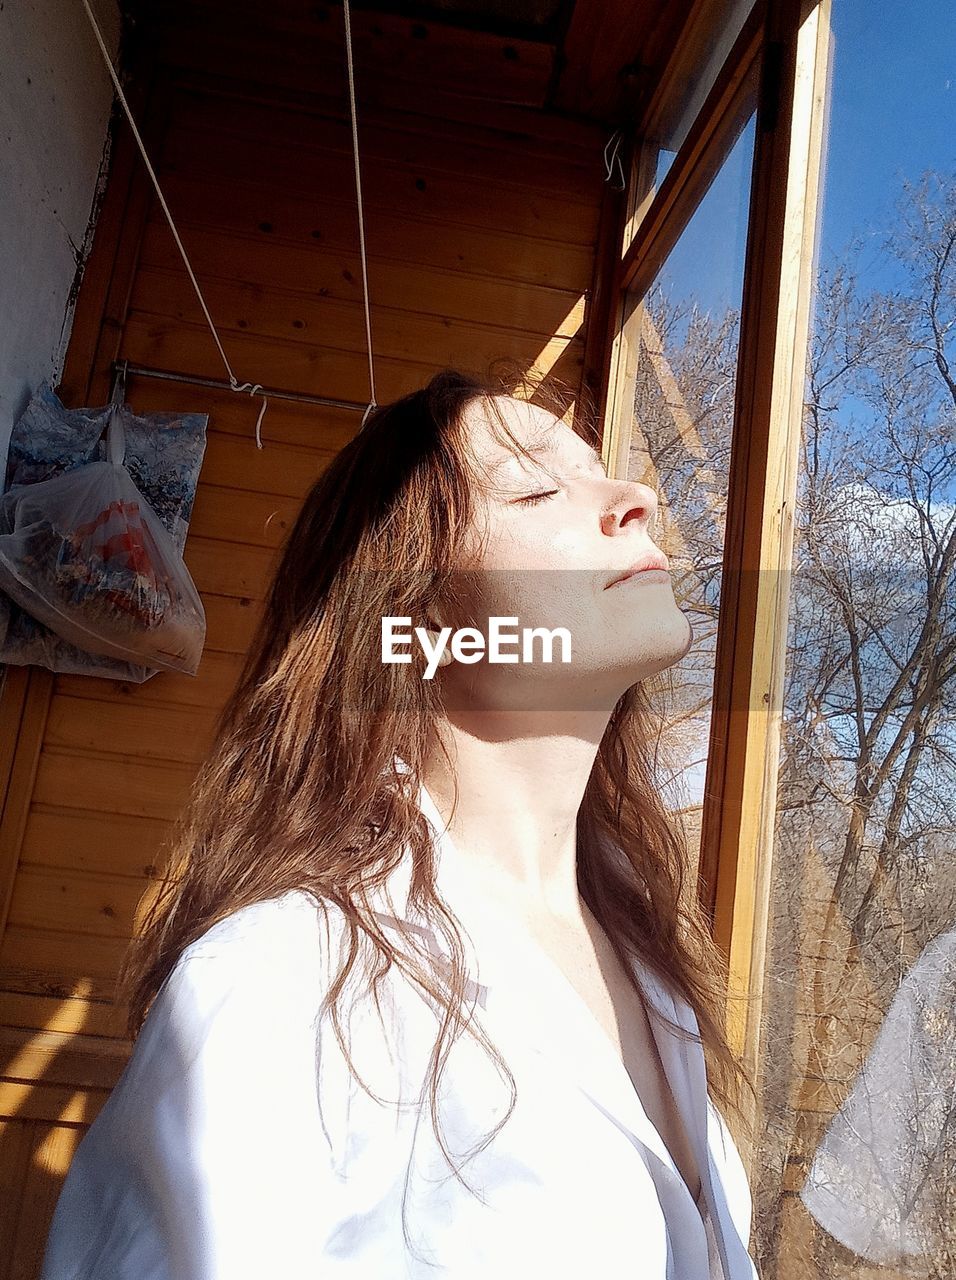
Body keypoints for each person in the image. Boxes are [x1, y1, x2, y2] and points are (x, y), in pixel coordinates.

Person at [39, 366, 759, 1279]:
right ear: (416, 618)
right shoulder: (280, 985)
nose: (638, 498)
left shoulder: (659, 962)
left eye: (600, 469)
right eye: (538, 486)